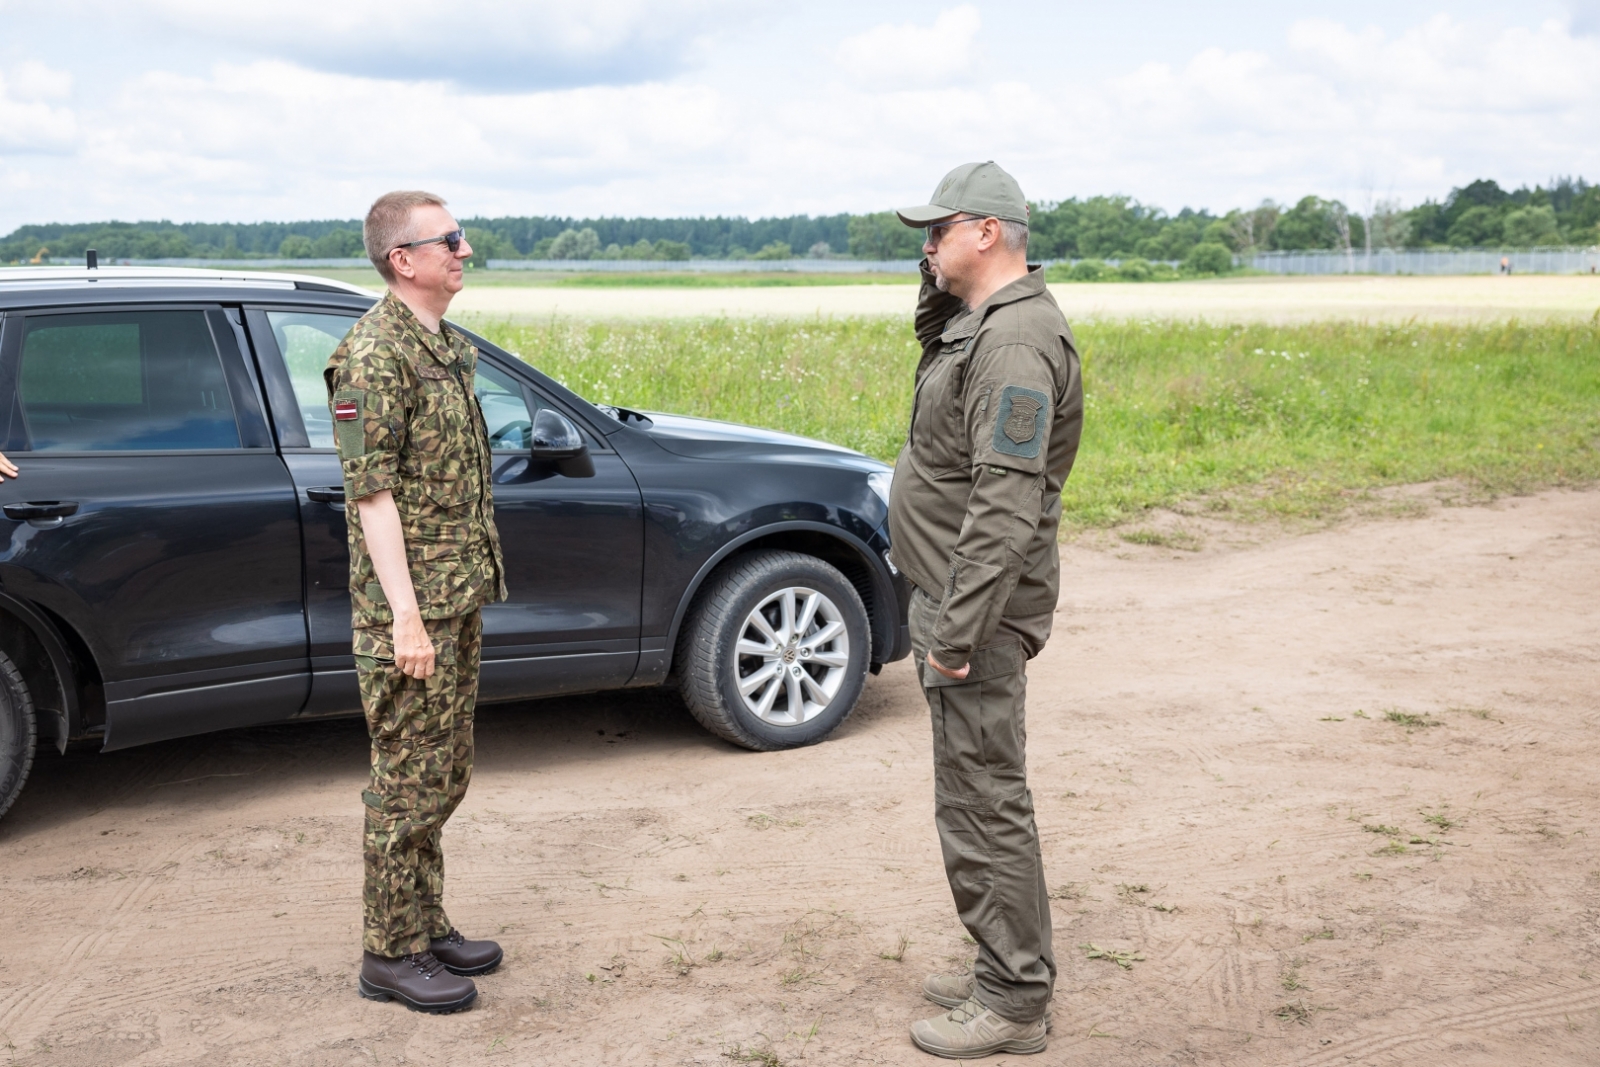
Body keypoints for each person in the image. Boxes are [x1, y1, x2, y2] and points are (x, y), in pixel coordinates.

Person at [887, 161, 1084, 1058]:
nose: (925, 246)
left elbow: (1004, 507)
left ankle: (1013, 998)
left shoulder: (1011, 346)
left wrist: (958, 636)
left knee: (983, 801)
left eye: (938, 230)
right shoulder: (983, 326)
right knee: (968, 798)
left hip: (977, 614)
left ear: (988, 231)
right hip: (955, 598)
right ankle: (1001, 958)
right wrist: (940, 284)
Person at [326, 190, 509, 1014]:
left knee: (442, 772)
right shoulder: (372, 356)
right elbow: (373, 497)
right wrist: (403, 613)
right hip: (410, 609)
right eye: (451, 240)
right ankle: (388, 953)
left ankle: (424, 923)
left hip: (453, 595)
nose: (464, 251)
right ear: (404, 258)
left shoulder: (438, 346)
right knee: (405, 782)